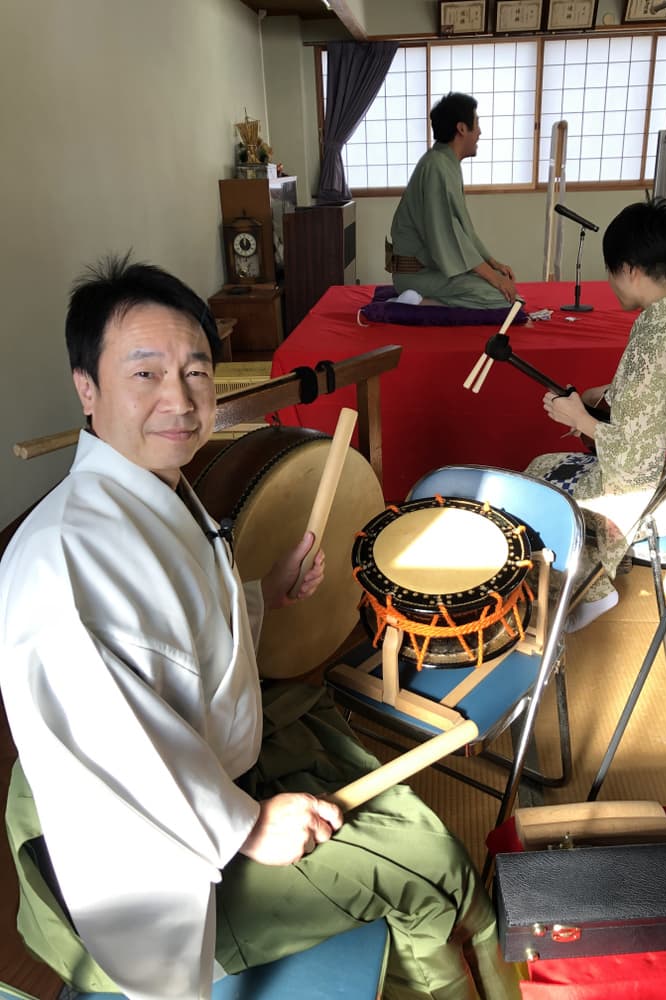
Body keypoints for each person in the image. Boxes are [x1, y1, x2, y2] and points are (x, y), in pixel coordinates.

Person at [0, 255, 518, 1000]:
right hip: (164, 862)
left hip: (216, 771)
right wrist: (245, 826)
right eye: (146, 373)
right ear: (87, 388)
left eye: (196, 371)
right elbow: (116, 755)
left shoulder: (148, 491)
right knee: (430, 866)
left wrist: (260, 595)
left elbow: (171, 635)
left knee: (397, 809)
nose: (180, 399)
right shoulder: (66, 561)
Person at [526, 198, 666, 632]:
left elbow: (635, 463)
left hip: (654, 488)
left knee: (537, 478)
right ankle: (593, 577)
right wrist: (605, 394)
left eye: (611, 270)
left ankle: (590, 589)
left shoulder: (651, 341)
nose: (610, 281)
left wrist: (580, 418)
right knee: (552, 463)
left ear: (630, 269)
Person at [388, 92, 518, 308]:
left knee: (504, 288)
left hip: (433, 269)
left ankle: (423, 300)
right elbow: (448, 234)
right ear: (462, 128)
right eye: (477, 123)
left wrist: (492, 264)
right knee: (502, 299)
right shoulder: (436, 166)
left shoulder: (445, 163)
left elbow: (464, 231)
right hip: (418, 274)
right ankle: (417, 302)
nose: (480, 132)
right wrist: (493, 278)